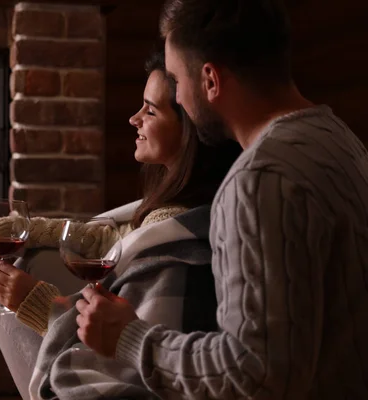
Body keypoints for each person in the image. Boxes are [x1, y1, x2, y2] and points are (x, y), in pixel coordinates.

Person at [0, 49, 241, 400]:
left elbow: (131, 362)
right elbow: (106, 238)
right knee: (22, 271)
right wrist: (14, 231)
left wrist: (36, 304)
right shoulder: (178, 210)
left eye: (150, 111)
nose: (133, 119)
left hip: (97, 389)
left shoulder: (178, 241)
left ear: (188, 131)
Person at [71, 0, 368, 399]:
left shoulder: (257, 180)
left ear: (210, 79)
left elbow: (254, 375)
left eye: (176, 82)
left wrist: (130, 338)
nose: (178, 97)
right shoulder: (339, 138)